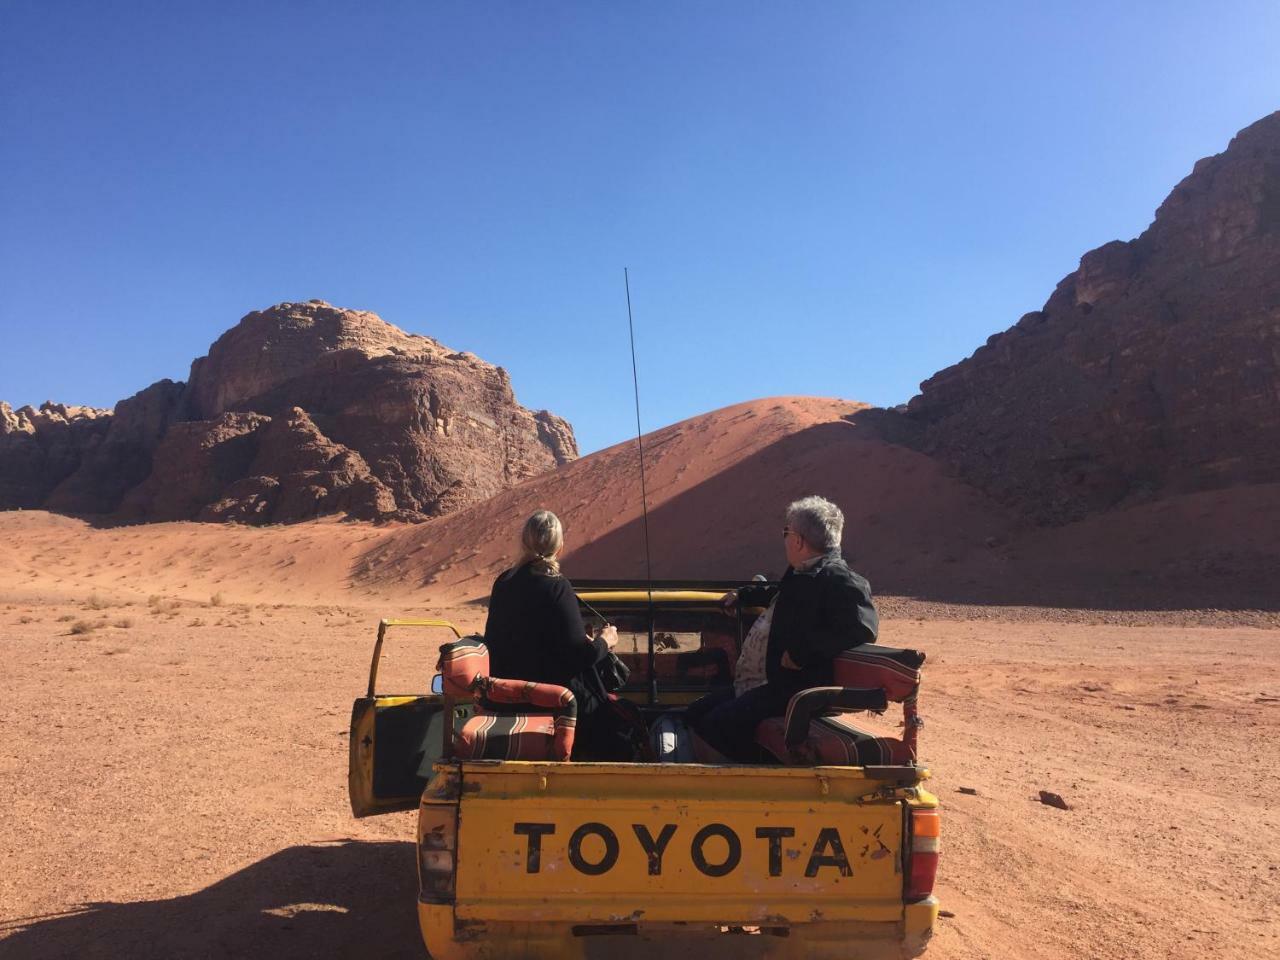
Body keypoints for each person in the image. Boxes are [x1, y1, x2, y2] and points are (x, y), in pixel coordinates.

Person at [688, 495, 878, 763]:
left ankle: (741, 788)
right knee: (696, 713)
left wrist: (803, 653)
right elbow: (787, 596)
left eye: (786, 532)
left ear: (798, 540)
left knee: (716, 724)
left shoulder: (840, 579)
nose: (785, 539)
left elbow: (862, 628)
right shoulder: (804, 572)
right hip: (766, 682)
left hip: (795, 691)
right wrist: (747, 595)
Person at [483, 509, 634, 761]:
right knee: (615, 723)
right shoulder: (556, 585)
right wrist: (605, 641)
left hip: (507, 696)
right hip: (552, 700)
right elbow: (579, 656)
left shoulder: (503, 583)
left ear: (523, 542)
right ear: (560, 547)